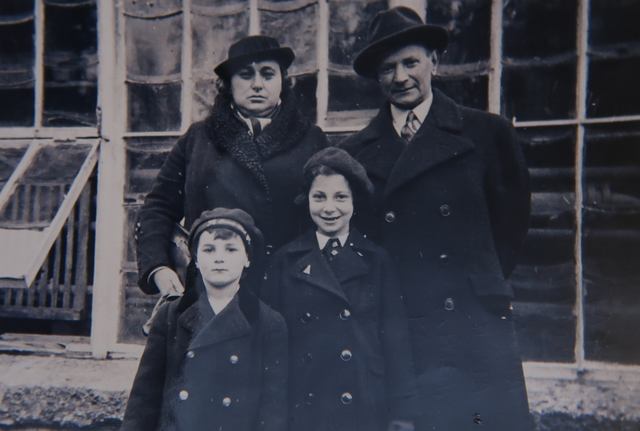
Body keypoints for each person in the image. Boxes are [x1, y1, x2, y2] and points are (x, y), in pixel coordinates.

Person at [339, 7, 534, 431]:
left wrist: (479, 278)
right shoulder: (355, 152)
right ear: (376, 77)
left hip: (472, 317)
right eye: (388, 68)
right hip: (400, 317)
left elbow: (512, 223)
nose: (401, 76)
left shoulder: (487, 133)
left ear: (434, 62)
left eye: (411, 62)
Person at [135, 35, 327, 297]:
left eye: (268, 74)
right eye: (246, 75)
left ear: (282, 81)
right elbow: (157, 207)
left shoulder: (311, 139)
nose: (257, 84)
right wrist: (158, 267)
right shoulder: (199, 137)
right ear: (227, 84)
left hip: (289, 289)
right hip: (211, 288)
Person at [261, 147, 419, 431]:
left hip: (362, 398)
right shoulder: (285, 260)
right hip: (303, 400)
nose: (329, 208)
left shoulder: (376, 259)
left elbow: (396, 341)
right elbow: (270, 344)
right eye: (319, 197)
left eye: (340, 197)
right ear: (306, 199)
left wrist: (402, 412)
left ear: (354, 201)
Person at [122, 208, 288, 431]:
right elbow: (144, 398)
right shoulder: (171, 315)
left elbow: (272, 407)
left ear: (247, 259)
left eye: (231, 250)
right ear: (196, 260)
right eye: (208, 250)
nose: (219, 258)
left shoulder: (268, 322)